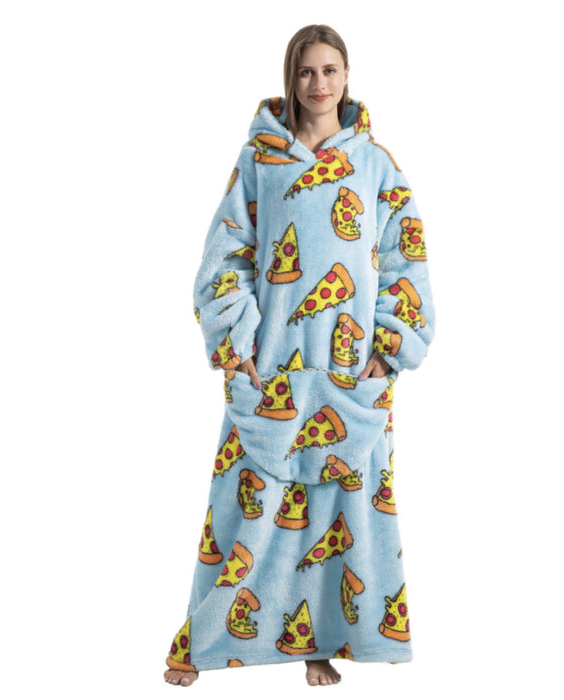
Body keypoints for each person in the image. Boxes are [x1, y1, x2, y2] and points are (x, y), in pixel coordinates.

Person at [164, 24, 434, 687]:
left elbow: (406, 258)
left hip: (349, 371)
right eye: (307, 71)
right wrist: (237, 347)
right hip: (274, 368)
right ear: (292, 77)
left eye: (330, 70)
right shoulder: (260, 161)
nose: (319, 84)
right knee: (248, 507)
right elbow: (226, 252)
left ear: (347, 75)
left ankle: (323, 644)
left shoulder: (377, 165)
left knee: (342, 512)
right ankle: (205, 640)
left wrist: (388, 350)